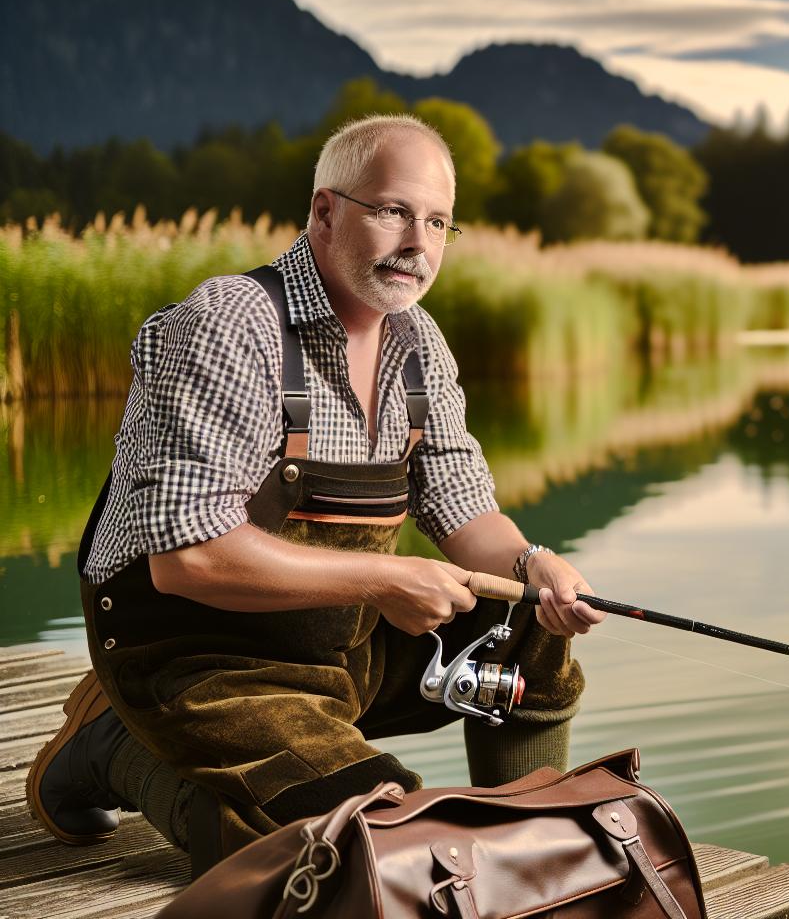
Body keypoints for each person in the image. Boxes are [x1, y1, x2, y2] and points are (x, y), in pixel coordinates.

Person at [26, 114, 604, 874]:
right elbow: (187, 561)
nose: (419, 243)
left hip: (336, 649)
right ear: (325, 212)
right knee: (365, 849)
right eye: (394, 211)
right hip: (194, 658)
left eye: (438, 222)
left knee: (528, 617)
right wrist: (386, 578)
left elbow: (463, 507)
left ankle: (527, 859)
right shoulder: (228, 325)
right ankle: (115, 746)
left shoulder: (419, 343)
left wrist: (535, 564)